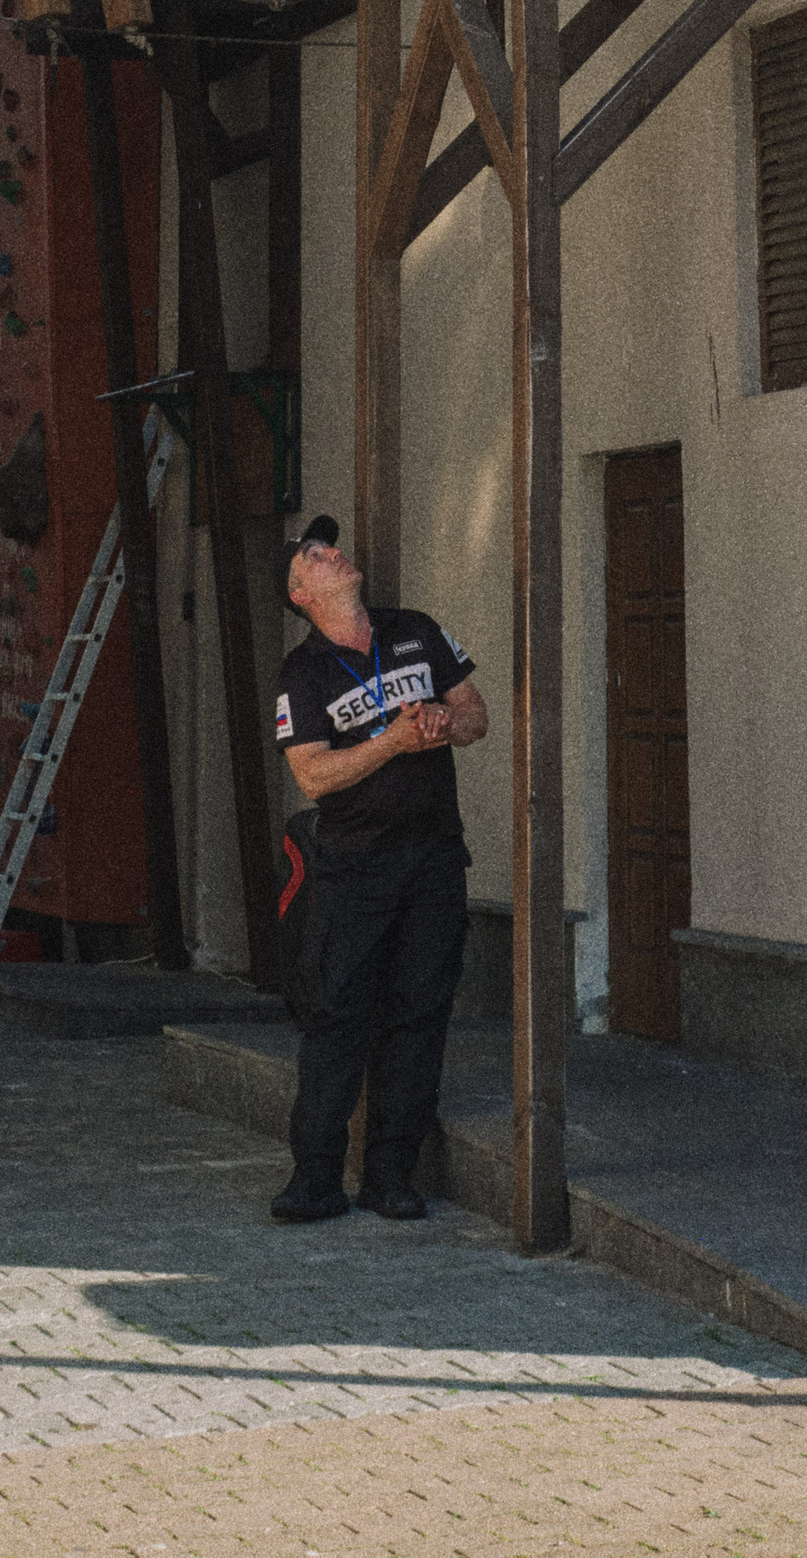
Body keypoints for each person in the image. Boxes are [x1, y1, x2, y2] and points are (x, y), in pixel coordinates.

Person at [267, 512, 488, 1225]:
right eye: (315, 554)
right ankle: (316, 1178)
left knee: (419, 1015)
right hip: (353, 868)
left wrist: (438, 728)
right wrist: (393, 743)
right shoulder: (302, 672)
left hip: (432, 860)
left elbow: (475, 716)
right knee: (337, 1017)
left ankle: (392, 1175)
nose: (332, 552)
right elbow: (314, 777)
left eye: (328, 545)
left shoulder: (415, 629)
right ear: (301, 591)